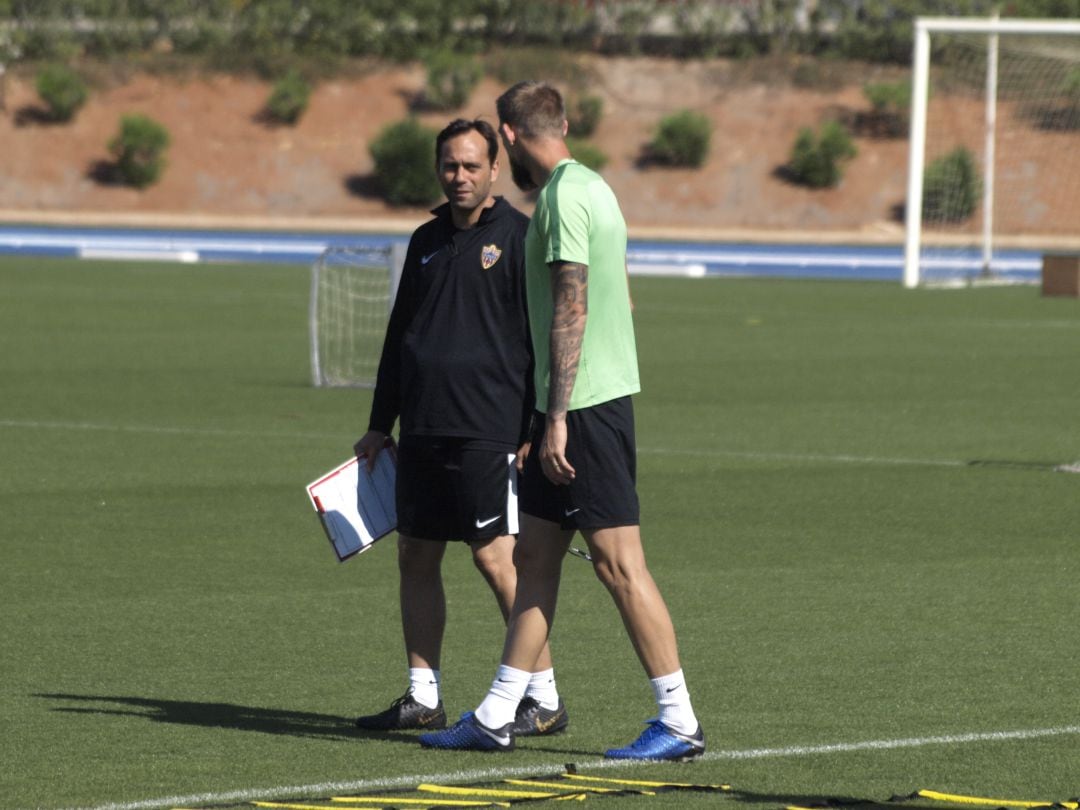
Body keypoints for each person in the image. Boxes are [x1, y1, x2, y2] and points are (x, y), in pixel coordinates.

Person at [419, 83, 703, 760]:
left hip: (584, 410)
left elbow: (572, 306)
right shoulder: (596, 188)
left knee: (619, 566)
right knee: (534, 560)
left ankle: (678, 719)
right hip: (581, 403)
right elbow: (623, 300)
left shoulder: (561, 200)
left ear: (508, 137)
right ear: (564, 125)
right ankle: (496, 714)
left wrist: (555, 418)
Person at [353, 118, 568, 738]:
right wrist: (379, 423)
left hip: (490, 428)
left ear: (495, 169)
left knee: (496, 558)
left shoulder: (520, 238)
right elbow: (401, 337)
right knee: (415, 554)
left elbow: (544, 339)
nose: (460, 176)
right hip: (423, 427)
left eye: (472, 165)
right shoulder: (424, 239)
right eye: (450, 165)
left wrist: (533, 425)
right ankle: (423, 696)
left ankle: (543, 697)